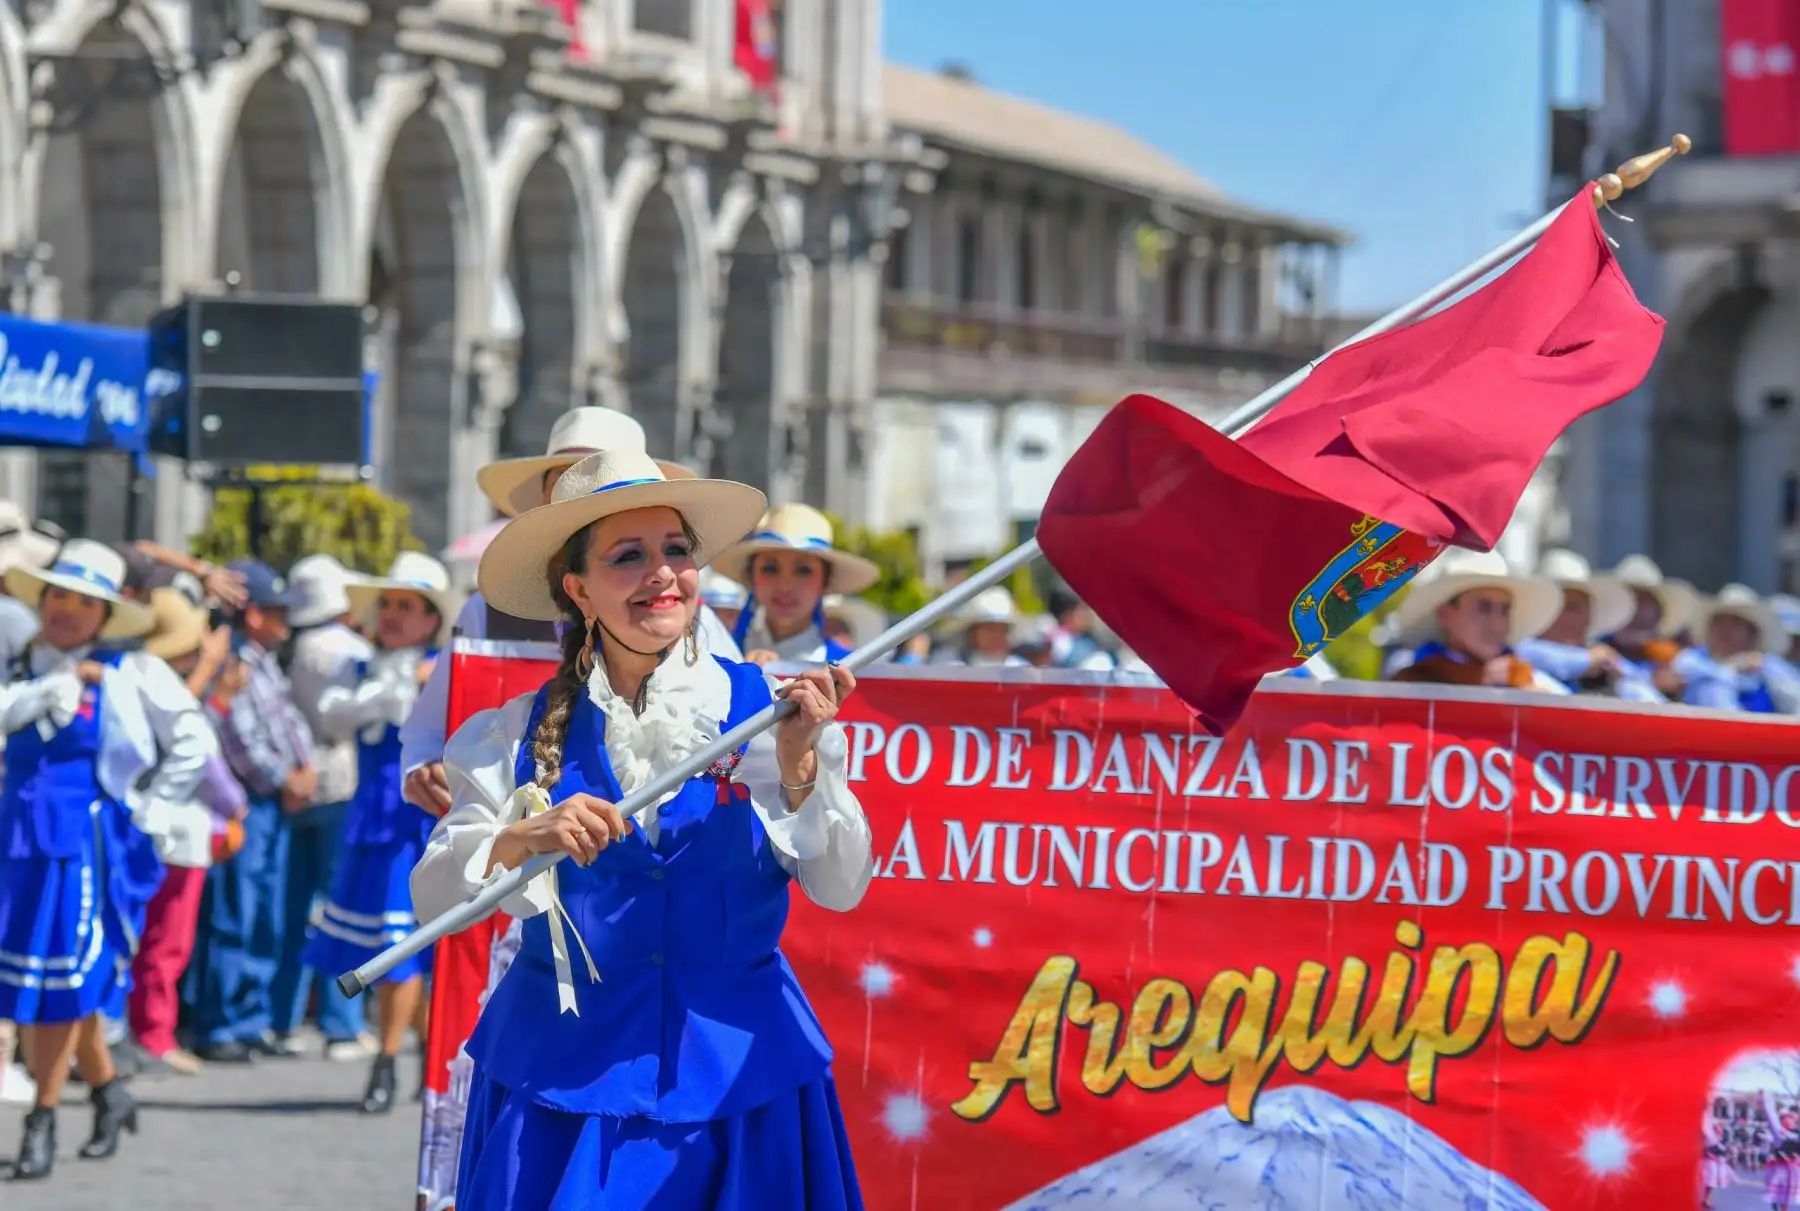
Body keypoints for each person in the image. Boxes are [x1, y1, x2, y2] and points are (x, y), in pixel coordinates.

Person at [412, 448, 872, 1210]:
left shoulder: (773, 711)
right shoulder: (513, 732)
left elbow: (841, 886)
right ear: (579, 589)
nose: (662, 574)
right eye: (628, 556)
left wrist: (800, 768)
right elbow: (433, 899)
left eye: (677, 551)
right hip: (563, 1089)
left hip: (739, 1085)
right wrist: (523, 837)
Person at [400, 406, 736, 818]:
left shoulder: (689, 618)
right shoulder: (484, 613)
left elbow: (737, 738)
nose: (581, 495)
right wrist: (422, 768)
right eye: (566, 482)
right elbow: (429, 728)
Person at [0, 540, 216, 1179]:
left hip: (81, 847)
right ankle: (108, 1091)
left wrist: (146, 810)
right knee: (57, 975)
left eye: (84, 601)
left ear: (105, 614)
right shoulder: (19, 664)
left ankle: (41, 1117)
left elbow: (192, 743)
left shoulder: (129, 672)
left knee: (62, 978)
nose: (67, 610)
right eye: (58, 595)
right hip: (16, 838)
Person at [305, 551, 459, 1113]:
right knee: (394, 946)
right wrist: (381, 692)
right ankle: (416, 1058)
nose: (393, 615)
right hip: (372, 817)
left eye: (407, 606)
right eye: (387, 604)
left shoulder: (446, 669)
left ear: (430, 618)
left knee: (407, 948)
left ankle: (392, 1061)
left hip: (421, 820)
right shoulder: (362, 668)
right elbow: (331, 716)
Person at [189, 560, 316, 1063]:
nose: (284, 618)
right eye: (275, 609)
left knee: (266, 910)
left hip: (270, 801)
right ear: (252, 613)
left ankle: (251, 1018)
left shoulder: (263, 658)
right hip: (244, 803)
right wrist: (285, 778)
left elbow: (287, 723)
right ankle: (220, 1024)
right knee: (235, 911)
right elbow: (236, 734)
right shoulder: (235, 659)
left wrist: (304, 768)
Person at [128, 589, 247, 1077]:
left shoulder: (139, 681)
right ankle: (154, 1036)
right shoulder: (163, 688)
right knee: (165, 944)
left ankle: (149, 1032)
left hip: (161, 831)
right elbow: (207, 766)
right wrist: (236, 806)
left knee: (151, 942)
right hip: (178, 835)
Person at [276, 554, 376, 1060]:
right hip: (342, 778)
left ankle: (284, 1017)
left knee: (293, 904)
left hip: (296, 777)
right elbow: (347, 723)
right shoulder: (352, 649)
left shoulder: (289, 647)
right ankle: (341, 1021)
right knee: (340, 906)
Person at [718, 503, 882, 666]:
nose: (785, 586)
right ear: (751, 576)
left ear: (825, 581)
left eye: (803, 570)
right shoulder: (719, 659)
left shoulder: (851, 670)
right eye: (770, 569)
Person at [1388, 548, 1568, 691]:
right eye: (1484, 608)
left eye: (1505, 610)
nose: (1497, 623)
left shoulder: (1530, 680)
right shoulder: (1411, 683)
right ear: (1446, 615)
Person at [1513, 549, 1660, 700]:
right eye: (1559, 607)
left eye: (1575, 608)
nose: (1569, 617)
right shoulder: (1520, 653)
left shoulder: (1608, 669)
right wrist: (1591, 659)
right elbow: (1532, 653)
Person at [1688, 584, 1800, 714]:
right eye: (1719, 624)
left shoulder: (1770, 668)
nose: (1724, 631)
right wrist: (1733, 668)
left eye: (1735, 624)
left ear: (1753, 634)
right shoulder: (1693, 663)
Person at [932, 587, 1028, 668]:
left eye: (1003, 629)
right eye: (990, 629)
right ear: (972, 633)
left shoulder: (1022, 669)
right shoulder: (950, 667)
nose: (997, 636)